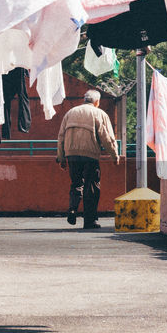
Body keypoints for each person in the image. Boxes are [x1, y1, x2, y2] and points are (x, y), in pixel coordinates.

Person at [56, 89, 121, 228]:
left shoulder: (70, 113)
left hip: (71, 154)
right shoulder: (99, 113)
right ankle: (90, 220)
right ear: (97, 102)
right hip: (90, 154)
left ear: (84, 99)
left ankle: (73, 208)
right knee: (92, 186)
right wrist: (114, 155)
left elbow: (61, 136)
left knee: (76, 183)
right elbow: (107, 137)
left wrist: (61, 157)